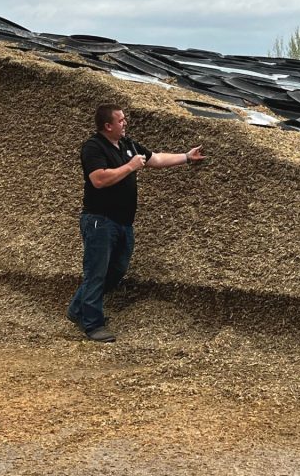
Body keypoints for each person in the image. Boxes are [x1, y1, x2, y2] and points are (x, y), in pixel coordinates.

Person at [67, 103, 206, 342]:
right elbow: (99, 179)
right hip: (100, 221)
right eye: (120, 121)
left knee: (117, 270)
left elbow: (156, 159)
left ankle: (78, 309)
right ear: (107, 125)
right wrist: (129, 167)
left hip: (123, 223)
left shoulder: (127, 144)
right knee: (96, 273)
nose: (125, 123)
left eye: (124, 120)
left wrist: (186, 157)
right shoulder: (93, 147)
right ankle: (93, 325)